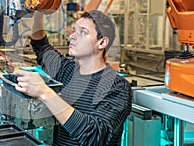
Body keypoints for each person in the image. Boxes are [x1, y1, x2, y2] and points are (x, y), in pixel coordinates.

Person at [14, 10, 133, 146]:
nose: (72, 36)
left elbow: (94, 137)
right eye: (74, 30)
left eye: (83, 32)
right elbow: (41, 45)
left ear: (102, 43)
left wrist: (44, 92)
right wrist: (40, 11)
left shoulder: (117, 87)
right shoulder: (67, 71)